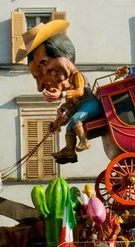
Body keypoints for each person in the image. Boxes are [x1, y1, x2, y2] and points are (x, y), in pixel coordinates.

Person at [15, 19, 104, 164]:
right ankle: (70, 151)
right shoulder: (68, 82)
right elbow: (72, 103)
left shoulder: (77, 76)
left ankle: (84, 141)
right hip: (82, 105)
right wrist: (59, 120)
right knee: (70, 125)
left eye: (44, 63)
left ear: (62, 57)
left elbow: (80, 92)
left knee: (76, 120)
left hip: (89, 103)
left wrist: (60, 95)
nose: (45, 71)